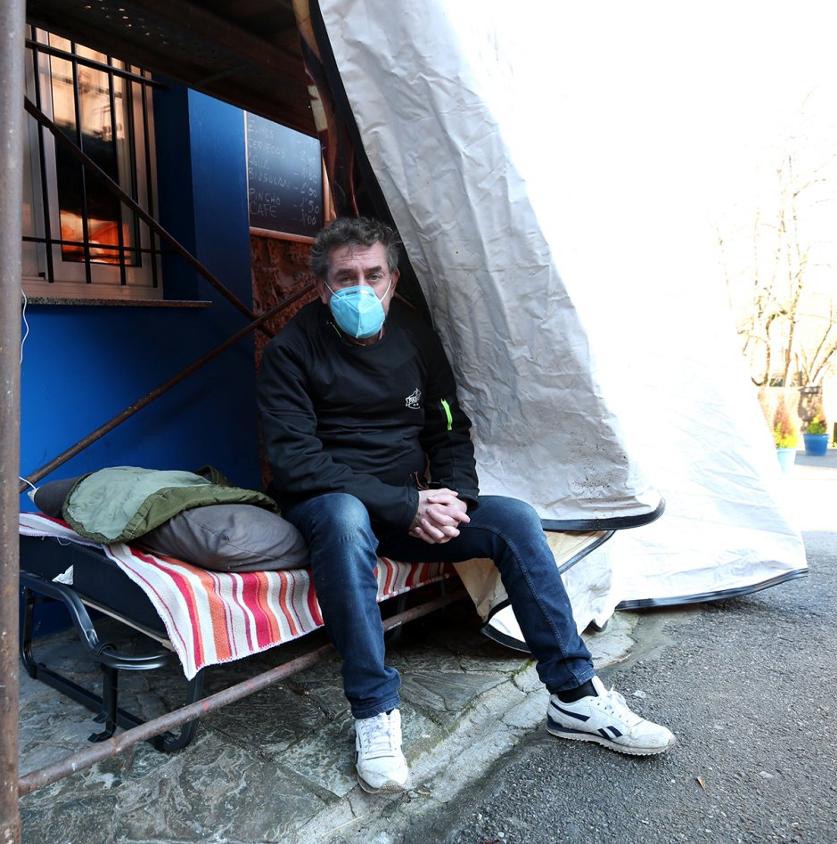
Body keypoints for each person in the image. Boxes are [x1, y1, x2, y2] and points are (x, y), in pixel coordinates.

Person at [257, 216, 675, 793]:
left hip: (410, 507)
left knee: (513, 519)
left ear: (393, 278)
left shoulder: (415, 335)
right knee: (344, 515)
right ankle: (375, 711)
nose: (360, 289)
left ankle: (575, 695)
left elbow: (449, 426)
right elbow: (296, 460)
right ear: (323, 287)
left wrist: (453, 498)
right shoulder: (290, 351)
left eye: (372, 275)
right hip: (328, 511)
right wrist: (406, 504)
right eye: (344, 278)